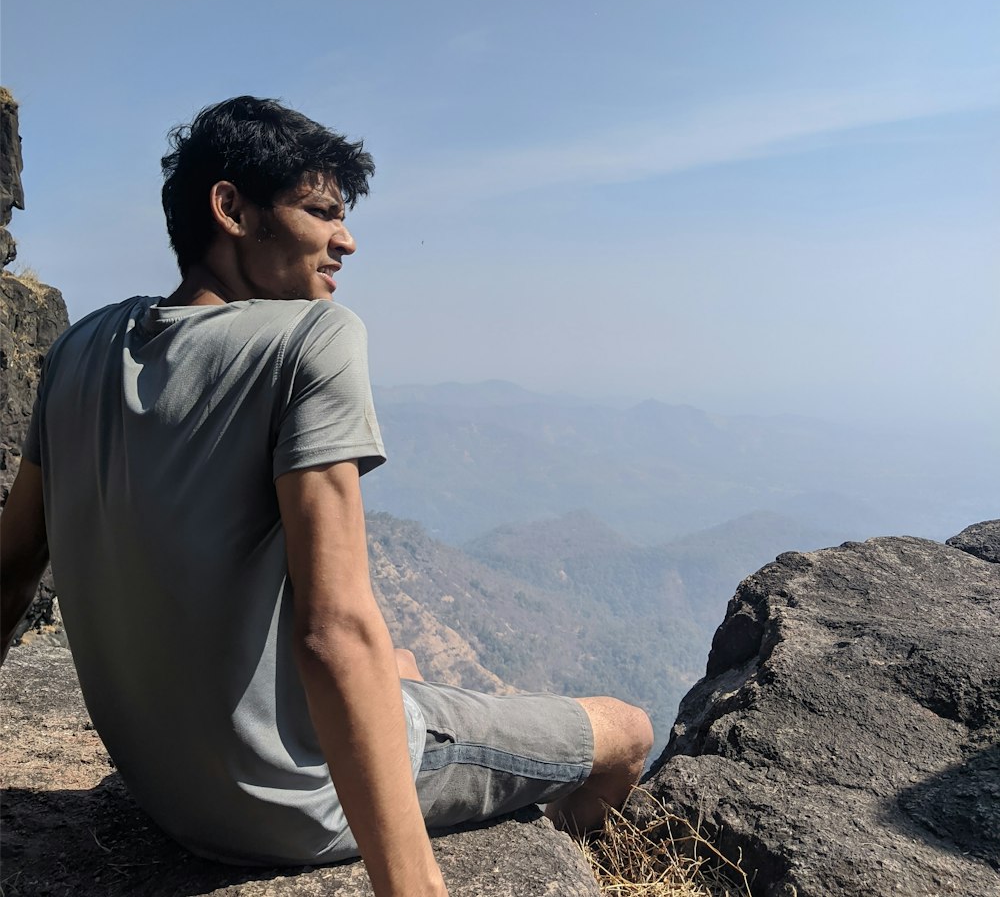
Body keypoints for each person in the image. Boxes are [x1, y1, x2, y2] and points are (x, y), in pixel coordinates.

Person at [0, 96, 653, 897]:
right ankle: (542, 842)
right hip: (282, 805)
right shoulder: (314, 337)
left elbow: (10, 569)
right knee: (627, 729)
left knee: (404, 663)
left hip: (162, 791)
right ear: (231, 208)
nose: (347, 240)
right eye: (321, 212)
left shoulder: (79, 346)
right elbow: (333, 632)